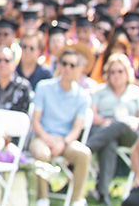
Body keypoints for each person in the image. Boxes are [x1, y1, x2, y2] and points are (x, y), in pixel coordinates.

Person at [86, 53, 139, 206]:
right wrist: (105, 121)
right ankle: (103, 194)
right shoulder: (100, 91)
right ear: (107, 74)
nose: (116, 75)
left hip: (130, 134)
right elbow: (92, 115)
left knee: (120, 124)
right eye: (112, 72)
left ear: (127, 72)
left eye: (120, 71)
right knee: (110, 143)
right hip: (105, 132)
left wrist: (135, 121)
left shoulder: (136, 92)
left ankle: (87, 148)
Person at [30, 47, 93, 206]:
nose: (67, 68)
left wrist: (63, 143)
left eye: (72, 65)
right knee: (42, 154)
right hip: (42, 137)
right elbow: (35, 121)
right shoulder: (44, 87)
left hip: (65, 141)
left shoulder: (82, 96)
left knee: (84, 153)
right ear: (58, 66)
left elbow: (77, 129)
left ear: (78, 68)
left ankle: (76, 200)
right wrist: (47, 138)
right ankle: (42, 199)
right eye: (64, 64)